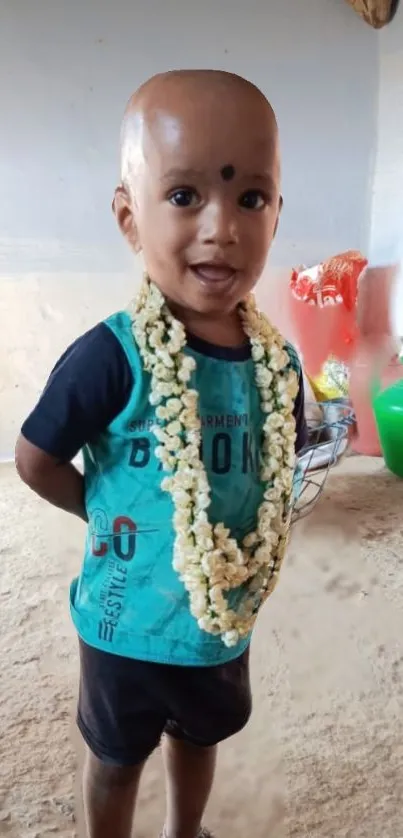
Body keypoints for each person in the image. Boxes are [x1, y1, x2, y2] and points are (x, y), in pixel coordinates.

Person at [15, 70, 308, 838]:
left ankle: (186, 830)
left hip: (218, 620)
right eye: (184, 196)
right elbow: (35, 457)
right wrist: (99, 506)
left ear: (277, 214)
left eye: (250, 197)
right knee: (116, 755)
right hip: (124, 621)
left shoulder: (277, 366)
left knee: (199, 734)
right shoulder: (110, 357)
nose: (221, 227)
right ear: (128, 217)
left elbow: (281, 467)